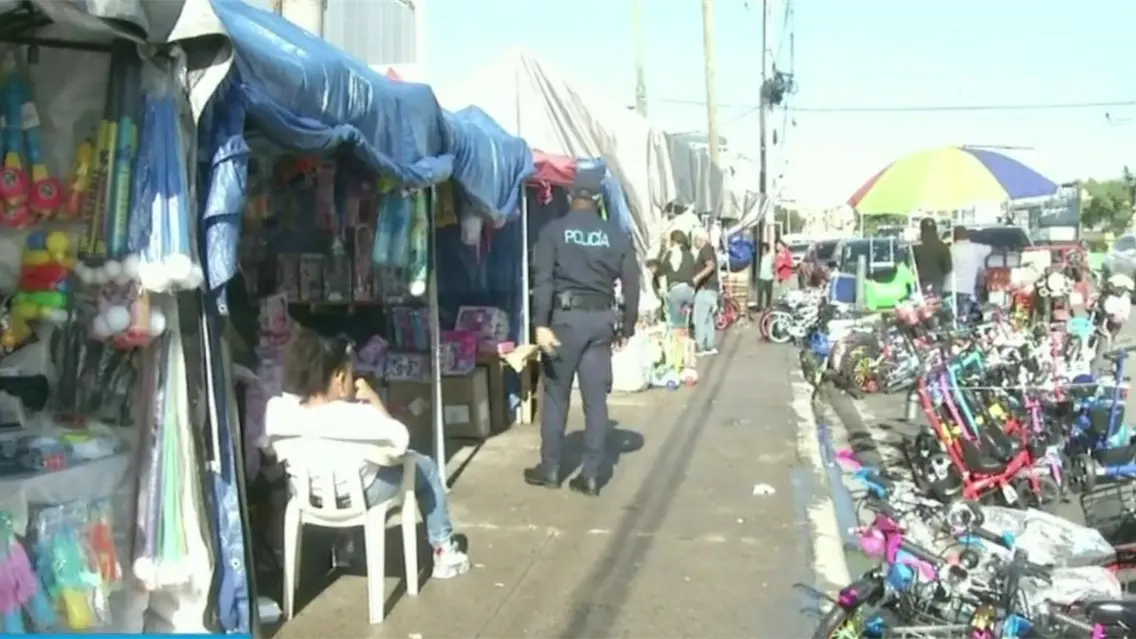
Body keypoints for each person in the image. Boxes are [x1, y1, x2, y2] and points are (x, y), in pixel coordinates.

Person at [265, 329, 471, 579]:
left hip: (308, 495)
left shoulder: (278, 411)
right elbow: (400, 442)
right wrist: (374, 400)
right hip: (360, 495)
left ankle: (348, 548)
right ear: (340, 379)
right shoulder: (359, 415)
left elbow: (269, 446)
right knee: (423, 466)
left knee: (349, 467)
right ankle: (444, 550)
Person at [524, 166, 640, 497]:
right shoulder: (616, 236)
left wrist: (539, 325)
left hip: (564, 322)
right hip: (601, 322)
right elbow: (632, 283)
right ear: (599, 199)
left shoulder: (553, 232)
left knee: (557, 397)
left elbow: (543, 281)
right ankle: (591, 474)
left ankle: (550, 468)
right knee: (595, 401)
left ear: (571, 195)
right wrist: (627, 326)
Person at [652, 230, 697, 327]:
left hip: (676, 291)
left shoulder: (671, 254)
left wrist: (655, 272)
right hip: (690, 291)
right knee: (685, 323)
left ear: (673, 241)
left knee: (675, 325)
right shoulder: (690, 255)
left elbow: (661, 271)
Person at [943, 225, 992, 313]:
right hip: (966, 290)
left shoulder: (949, 249)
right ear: (967, 235)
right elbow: (990, 249)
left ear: (954, 236)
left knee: (948, 320)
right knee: (964, 318)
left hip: (948, 289)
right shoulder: (977, 248)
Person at [691, 228, 719, 355]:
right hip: (713, 289)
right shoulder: (711, 250)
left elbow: (710, 266)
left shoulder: (705, 250)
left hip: (705, 288)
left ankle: (700, 346)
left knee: (699, 319)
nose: (694, 243)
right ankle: (710, 345)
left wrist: (697, 277)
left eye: (695, 240)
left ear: (699, 239)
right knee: (708, 319)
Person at [911, 217, 952, 294]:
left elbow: (912, 266)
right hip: (938, 282)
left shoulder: (916, 247)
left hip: (920, 283)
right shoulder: (942, 246)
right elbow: (948, 267)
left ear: (921, 230)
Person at [756, 241, 775, 308]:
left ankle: (768, 306)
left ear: (767, 249)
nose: (763, 250)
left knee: (769, 293)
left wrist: (774, 272)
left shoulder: (771, 256)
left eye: (764, 249)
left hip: (769, 277)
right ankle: (759, 306)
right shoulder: (760, 257)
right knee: (760, 293)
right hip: (761, 277)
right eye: (762, 249)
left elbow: (773, 266)